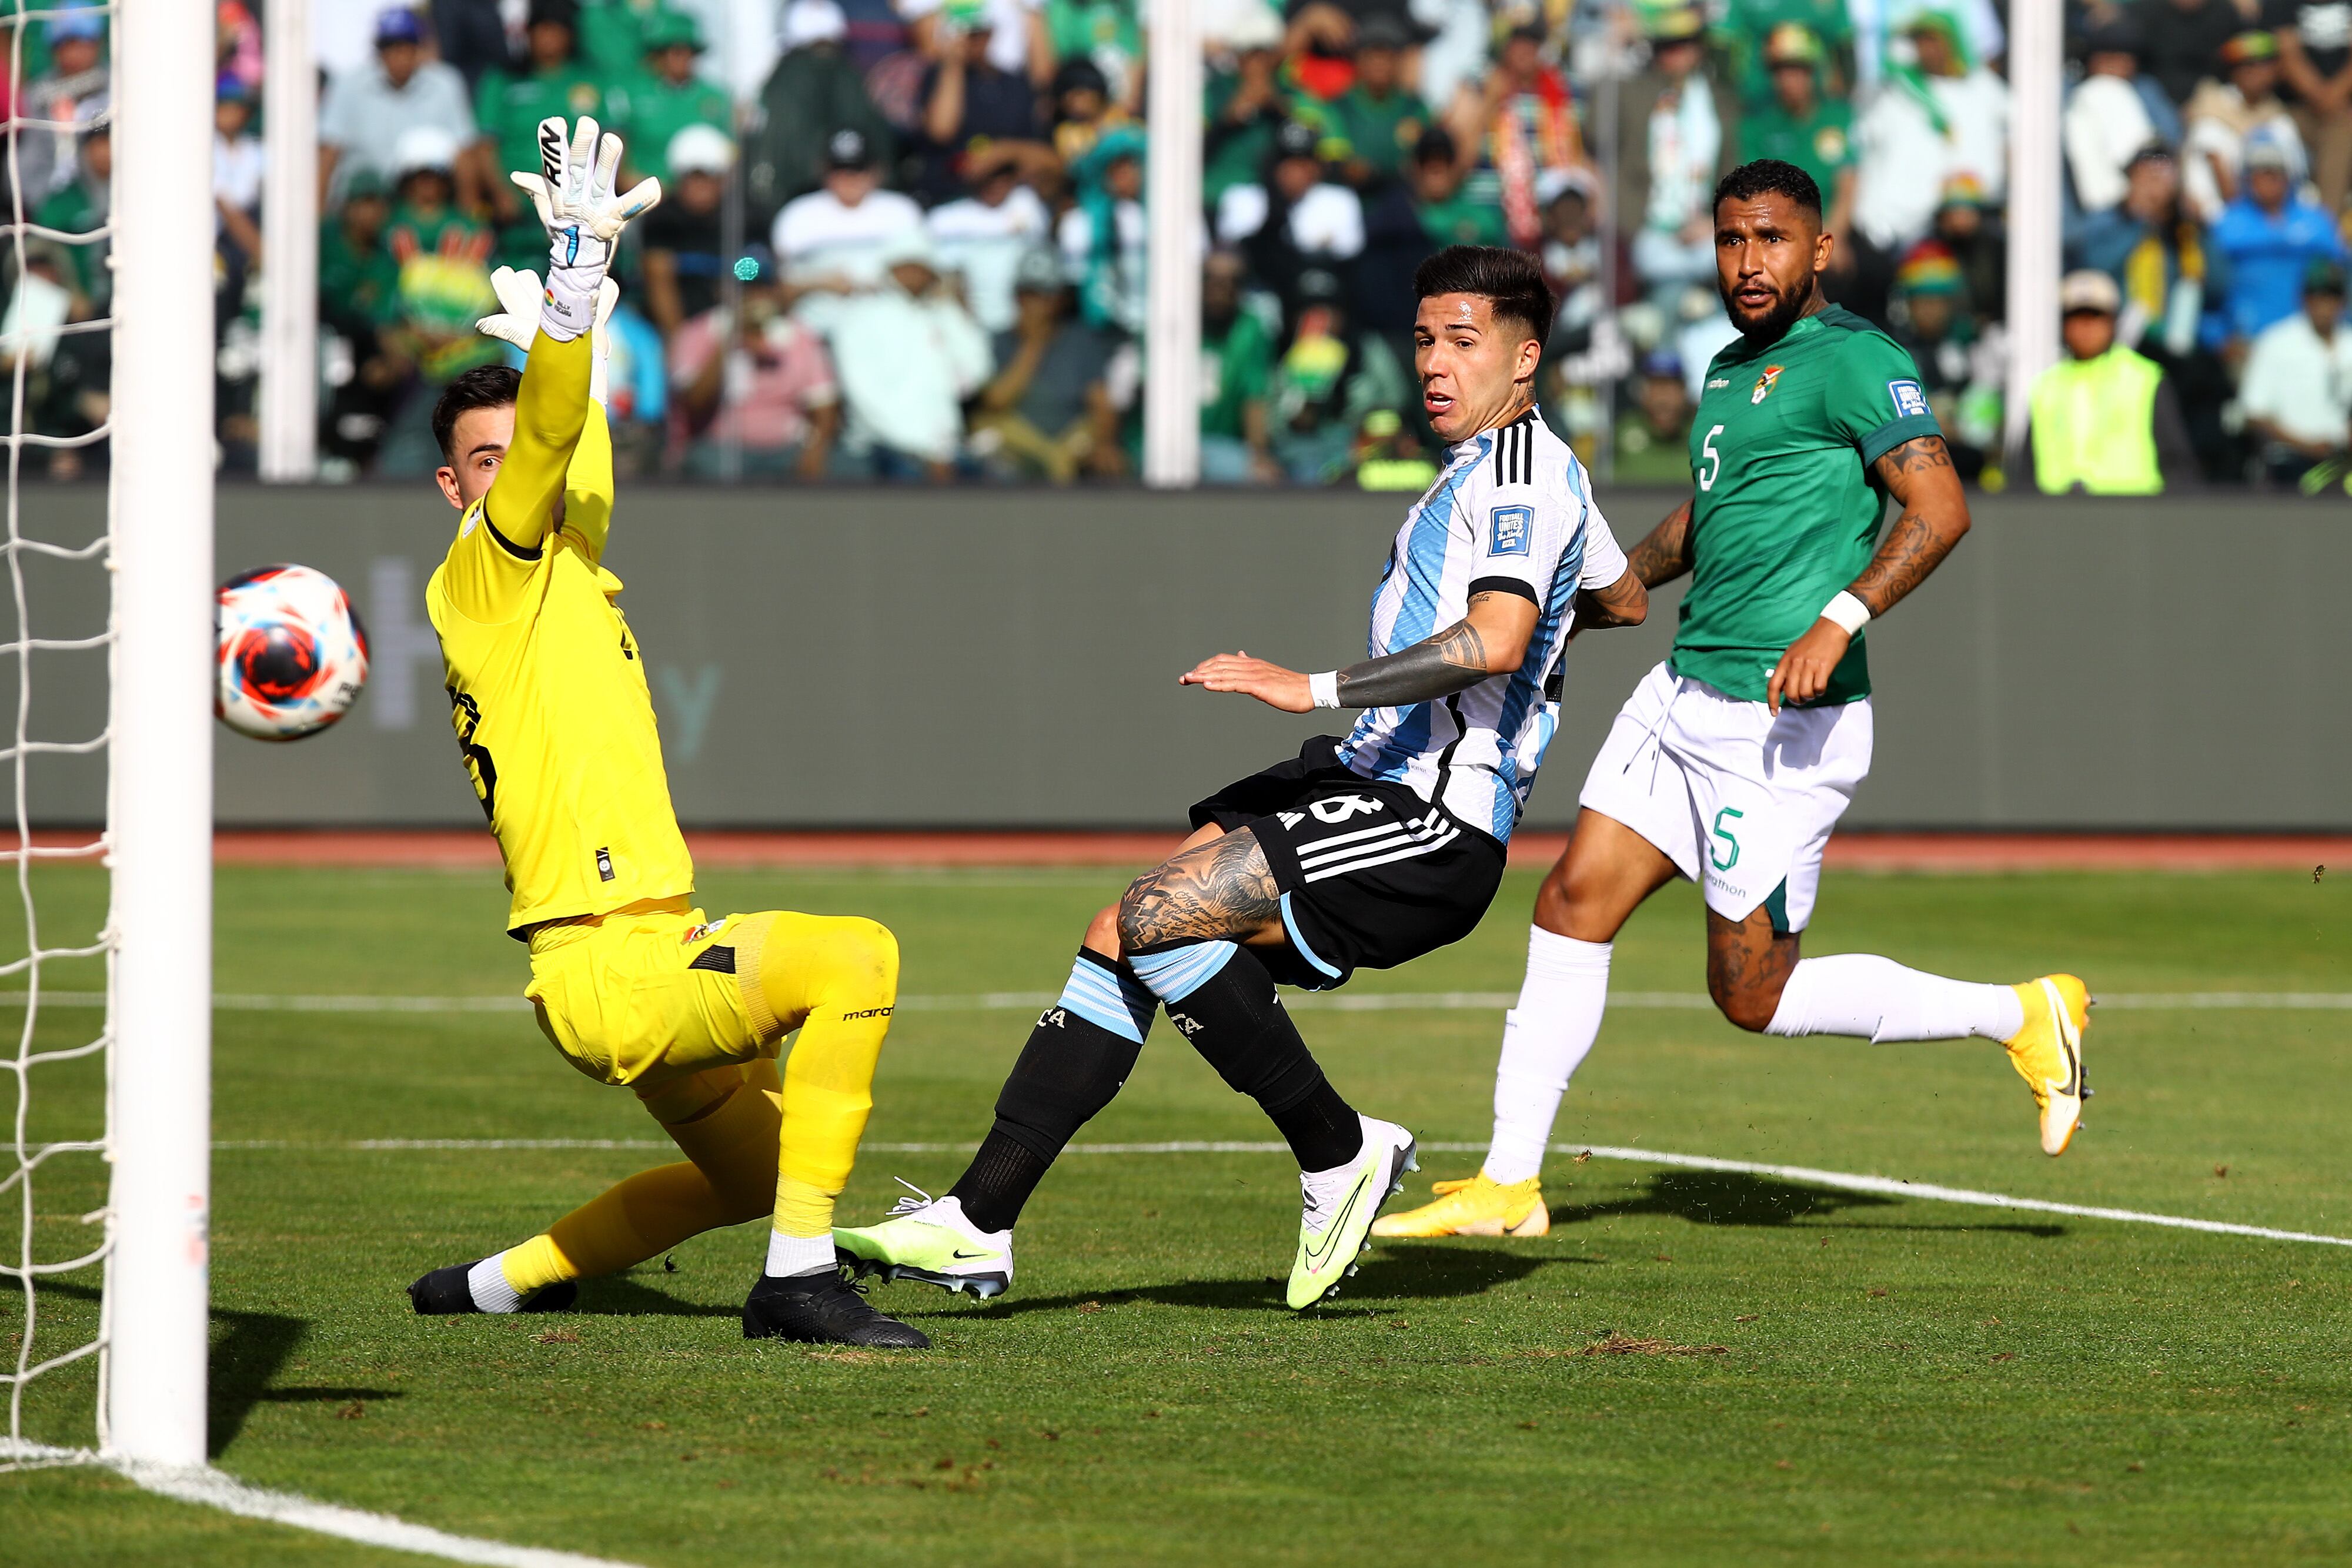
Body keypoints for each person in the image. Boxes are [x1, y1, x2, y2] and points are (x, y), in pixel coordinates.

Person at [831, 243, 1647, 1308]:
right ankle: (977, 1219)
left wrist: (1313, 685)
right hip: (1366, 776)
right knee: (1121, 928)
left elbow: (1496, 637)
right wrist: (1559, 619)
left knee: (1164, 913)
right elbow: (1625, 598)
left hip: (1431, 815)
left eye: (1464, 341)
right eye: (1422, 340)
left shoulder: (1520, 479)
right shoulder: (1527, 475)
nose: (1435, 365)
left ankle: (1337, 1149)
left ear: (1525, 356)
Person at [1375, 161, 2091, 1243]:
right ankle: (1510, 1183)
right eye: (1729, 241)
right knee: (1573, 904)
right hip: (1684, 691)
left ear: (1819, 250)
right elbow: (1710, 522)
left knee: (1752, 996)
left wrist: (1840, 619)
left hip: (1782, 722)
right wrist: (1602, 587)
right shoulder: (1727, 369)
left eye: (1771, 239)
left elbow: (1941, 509)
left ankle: (2024, 1013)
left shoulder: (1856, 359)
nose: (1749, 262)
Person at [405, 117, 923, 1349]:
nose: (501, 474)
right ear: (451, 488)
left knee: (744, 1173)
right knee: (855, 957)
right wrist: (575, 295)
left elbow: (571, 449)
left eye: (506, 454)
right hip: (609, 964)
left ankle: (491, 1284)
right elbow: (546, 444)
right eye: (473, 461)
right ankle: (798, 1282)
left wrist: (558, 358)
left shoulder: (566, 564)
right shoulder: (484, 571)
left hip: (639, 943)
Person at [826, 232, 994, 480]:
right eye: (907, 267)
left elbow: (977, 370)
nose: (915, 275)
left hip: (944, 447)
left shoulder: (941, 314)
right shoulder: (860, 317)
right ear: (891, 268)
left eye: (923, 268)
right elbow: (867, 399)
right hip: (885, 448)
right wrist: (926, 450)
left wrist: (954, 311)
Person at [2024, 268, 2198, 493]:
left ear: (2112, 322)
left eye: (2095, 317)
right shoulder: (2046, 387)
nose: (2086, 327)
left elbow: (2178, 464)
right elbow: (2024, 469)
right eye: (2076, 317)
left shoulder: (2145, 378)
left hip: (2134, 519)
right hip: (2054, 519)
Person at [669, 263, 844, 480]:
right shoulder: (698, 333)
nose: (755, 297)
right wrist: (732, 338)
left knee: (846, 465)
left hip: (786, 448)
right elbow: (694, 404)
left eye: (762, 288)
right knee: (703, 463)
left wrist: (815, 451)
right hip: (718, 448)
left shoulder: (799, 336)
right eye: (746, 290)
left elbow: (824, 405)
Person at [1616, 6, 1739, 310]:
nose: (1674, 55)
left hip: (1706, 230)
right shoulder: (1633, 94)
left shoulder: (1719, 100)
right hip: (1650, 231)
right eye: (1665, 46)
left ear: (1698, 49)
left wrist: (1713, 222)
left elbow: (1735, 171)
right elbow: (1595, 138)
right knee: (1667, 287)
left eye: (1683, 45)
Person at [475, 0, 609, 269]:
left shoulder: (590, 81)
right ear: (527, 33)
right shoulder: (503, 80)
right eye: (541, 30)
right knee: (513, 286)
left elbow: (609, 142)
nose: (549, 38)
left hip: (574, 210)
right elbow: (485, 145)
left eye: (556, 30)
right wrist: (500, 194)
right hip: (515, 210)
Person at [969, 246, 1120, 482]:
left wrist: (1104, 443)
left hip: (1071, 445)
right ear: (1017, 296)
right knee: (993, 454)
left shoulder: (1080, 340)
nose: (1040, 303)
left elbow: (1101, 404)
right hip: (1017, 448)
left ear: (1061, 300)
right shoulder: (997, 342)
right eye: (1032, 293)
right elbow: (996, 402)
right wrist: (1034, 345)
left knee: (1109, 465)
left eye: (1049, 295)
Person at [742, 0, 897, 223]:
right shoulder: (845, 75)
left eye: (827, 48)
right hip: (809, 205)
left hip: (831, 201)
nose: (821, 58)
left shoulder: (789, 81)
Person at [320, 6, 482, 209]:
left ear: (418, 49)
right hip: (363, 205)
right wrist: (318, 219)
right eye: (391, 48)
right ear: (379, 51)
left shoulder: (444, 84)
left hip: (422, 205)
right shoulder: (349, 85)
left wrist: (469, 216)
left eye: (407, 47)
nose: (400, 57)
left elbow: (464, 152)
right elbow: (328, 154)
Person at [771, 128, 926, 329]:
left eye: (858, 169)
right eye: (840, 169)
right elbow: (776, 285)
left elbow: (924, 275)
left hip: (893, 329)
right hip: (818, 331)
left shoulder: (901, 211)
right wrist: (821, 283)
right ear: (824, 170)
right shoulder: (798, 215)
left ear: (877, 171)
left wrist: (872, 283)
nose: (849, 178)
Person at [1217, 119, 1368, 314]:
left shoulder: (1339, 201)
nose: (1295, 172)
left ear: (1317, 167)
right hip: (1257, 300)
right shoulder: (1243, 199)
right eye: (1288, 163)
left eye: (1303, 163)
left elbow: (1350, 248)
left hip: (1316, 299)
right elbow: (1231, 250)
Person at [914, 0, 1056, 203]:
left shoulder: (1014, 83)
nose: (973, 40)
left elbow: (1045, 154)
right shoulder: (938, 76)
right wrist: (953, 65)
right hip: (954, 197)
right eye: (965, 34)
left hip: (1009, 198)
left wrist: (1004, 152)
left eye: (979, 33)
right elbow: (941, 131)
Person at [2211, 136, 2348, 346]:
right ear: (2247, 178)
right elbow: (2208, 291)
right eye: (2261, 172)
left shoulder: (2316, 221)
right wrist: (2219, 338)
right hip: (2248, 341)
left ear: (2289, 177)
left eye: (2276, 172)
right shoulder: (2226, 224)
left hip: (2311, 340)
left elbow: (2342, 279)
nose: (2269, 180)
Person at [1738, 24, 1855, 255]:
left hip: (1829, 231)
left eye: (1799, 69)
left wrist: (1832, 238)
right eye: (1781, 70)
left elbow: (1847, 186)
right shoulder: (1756, 125)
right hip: (1775, 235)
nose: (1790, 79)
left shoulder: (1839, 118)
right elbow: (1753, 194)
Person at [2236, 259, 2352, 486]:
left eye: (2332, 297)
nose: (2325, 306)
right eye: (2317, 297)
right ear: (2304, 299)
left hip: (2343, 459)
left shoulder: (2348, 343)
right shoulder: (2277, 343)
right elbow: (2254, 413)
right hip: (2290, 460)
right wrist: (2305, 445)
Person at [2184, 31, 2307, 222]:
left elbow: (2295, 176)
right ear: (2233, 72)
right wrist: (2244, 221)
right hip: (2220, 218)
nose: (2254, 72)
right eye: (2246, 66)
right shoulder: (2213, 107)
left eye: (2263, 64)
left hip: (2278, 218)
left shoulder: (2278, 118)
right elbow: (2217, 176)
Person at [927, 158, 1054, 336]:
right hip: (967, 323)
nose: (995, 185)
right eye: (987, 178)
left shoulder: (1028, 205)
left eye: (1002, 178)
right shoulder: (946, 218)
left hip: (1021, 323)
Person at [1310, 14, 1433, 188]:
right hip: (1349, 198)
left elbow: (1424, 164)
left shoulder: (1414, 108)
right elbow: (1326, 160)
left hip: (1401, 201)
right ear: (1358, 60)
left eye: (1387, 56)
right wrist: (1345, 169)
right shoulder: (1338, 107)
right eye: (1372, 55)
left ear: (1399, 62)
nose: (1380, 63)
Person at [636, 124, 732, 340]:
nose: (700, 186)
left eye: (708, 176)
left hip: (733, 325)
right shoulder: (661, 219)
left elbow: (758, 268)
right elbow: (657, 274)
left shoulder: (742, 216)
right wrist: (682, 344)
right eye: (692, 176)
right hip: (677, 330)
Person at [616, 10, 732, 188]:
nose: (680, 58)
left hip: (702, 201)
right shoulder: (632, 96)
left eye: (687, 51)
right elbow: (617, 160)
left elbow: (732, 156)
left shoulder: (716, 97)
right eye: (672, 51)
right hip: (645, 198)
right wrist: (649, 190)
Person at [1197, 246, 1281, 483]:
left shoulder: (1249, 330)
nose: (1219, 290)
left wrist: (1259, 455)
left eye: (1230, 281)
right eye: (1210, 279)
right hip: (1154, 445)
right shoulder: (1169, 323)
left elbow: (1254, 399)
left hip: (1222, 445)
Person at [2273, 0, 2352, 214]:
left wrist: (2333, 97)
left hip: (2343, 110)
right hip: (2294, 109)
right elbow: (2288, 55)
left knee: (2343, 129)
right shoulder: (2282, 5)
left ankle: (2325, 227)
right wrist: (2321, 97)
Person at [1611, 347, 1697, 484]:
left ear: (1684, 391)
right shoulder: (1620, 432)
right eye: (1655, 387)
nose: (1662, 400)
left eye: (1670, 388)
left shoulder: (1699, 436)